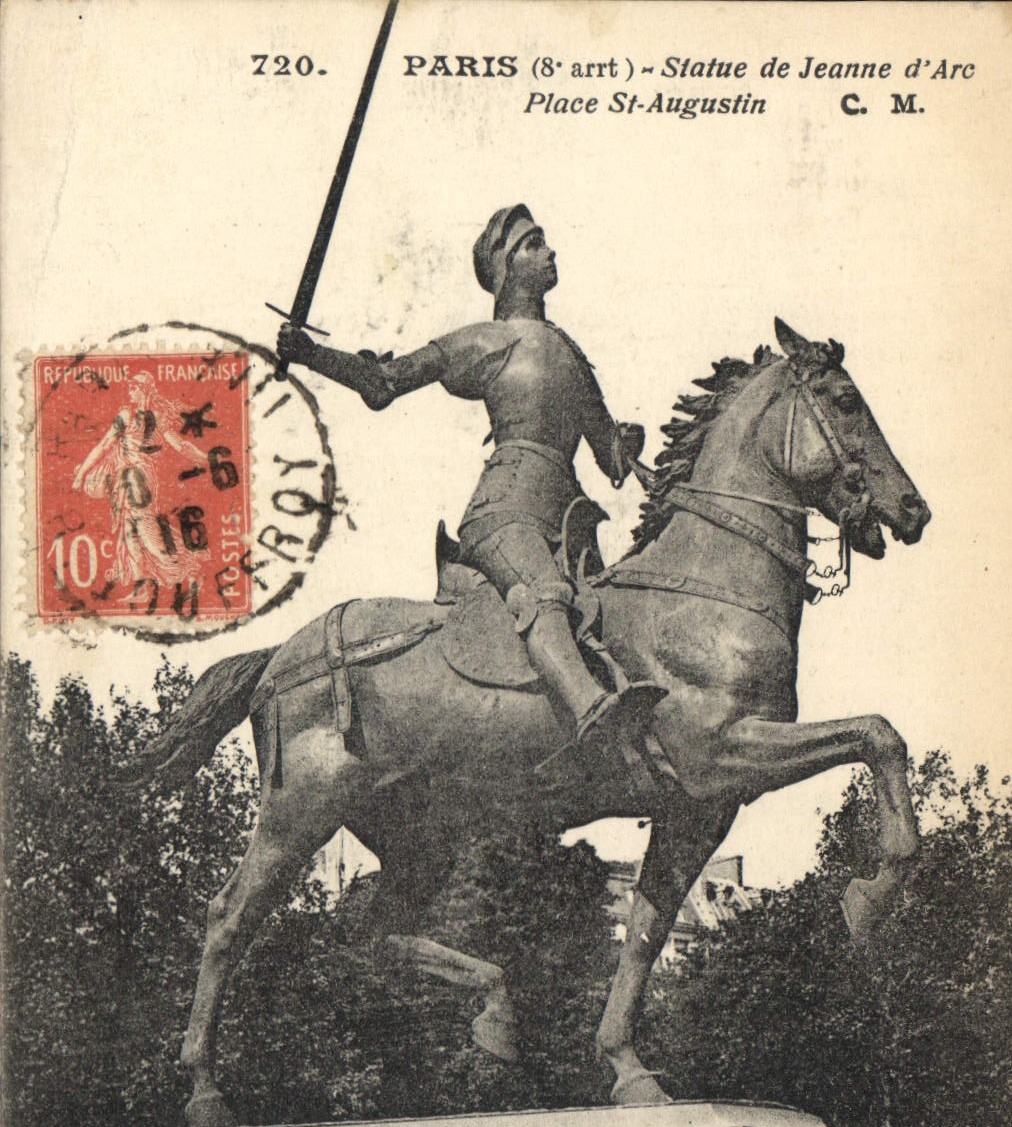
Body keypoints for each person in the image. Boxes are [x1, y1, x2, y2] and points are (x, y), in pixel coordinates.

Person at [277, 204, 663, 752]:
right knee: (542, 595)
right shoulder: (483, 341)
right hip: (504, 515)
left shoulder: (568, 353)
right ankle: (590, 713)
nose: (550, 251)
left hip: (568, 523)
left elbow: (612, 460)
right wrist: (312, 355)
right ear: (506, 266)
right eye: (534, 244)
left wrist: (633, 449)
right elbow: (384, 382)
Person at [72, 372, 209, 590]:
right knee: (130, 532)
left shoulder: (133, 416)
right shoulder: (147, 416)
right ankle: (141, 586)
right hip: (132, 479)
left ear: (144, 390)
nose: (130, 391)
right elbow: (181, 446)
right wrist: (205, 459)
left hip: (136, 480)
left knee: (147, 534)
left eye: (134, 387)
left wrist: (82, 474)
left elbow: (105, 445)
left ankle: (187, 569)